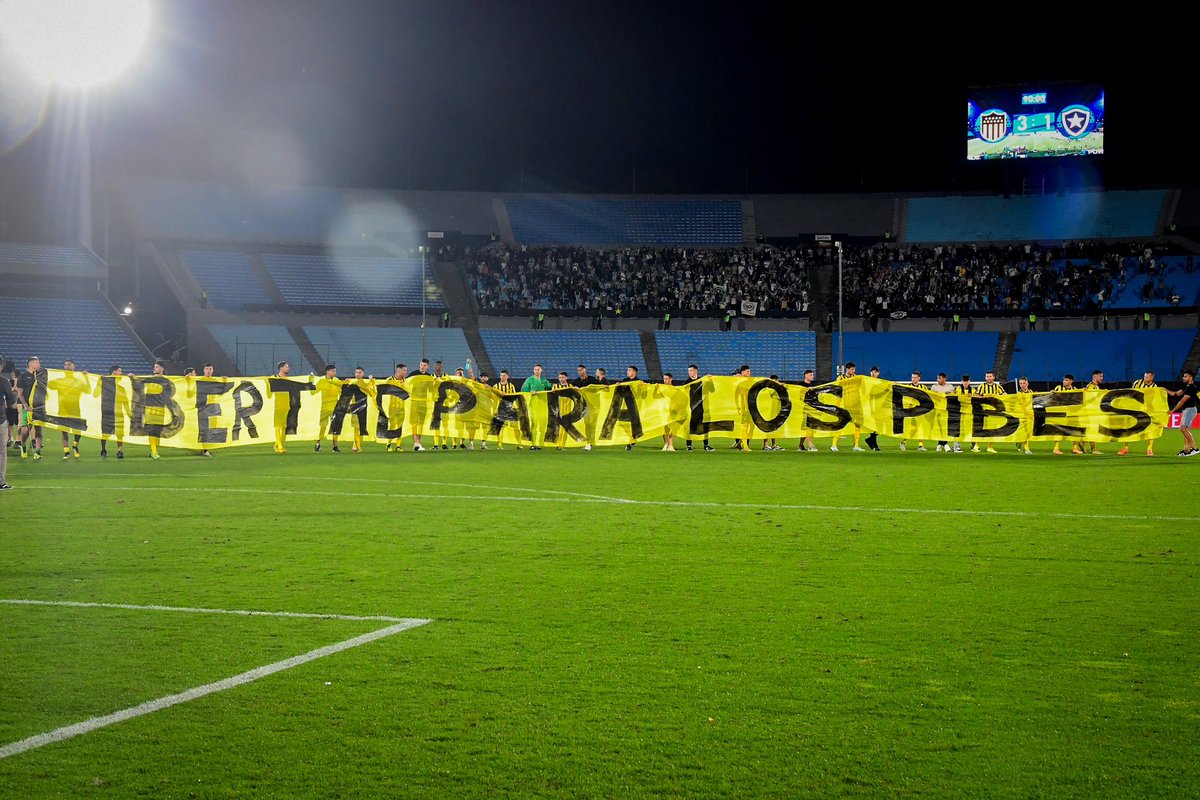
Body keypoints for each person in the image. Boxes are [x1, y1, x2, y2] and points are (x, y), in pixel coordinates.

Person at [50, 359, 91, 460]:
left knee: (78, 430)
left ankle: (75, 446)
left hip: (75, 409)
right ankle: (66, 451)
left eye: (69, 364)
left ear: (74, 366)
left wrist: (87, 378)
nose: (67, 366)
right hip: (63, 410)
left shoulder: (78, 382)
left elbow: (88, 390)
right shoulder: (60, 381)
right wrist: (48, 374)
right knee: (64, 431)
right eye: (65, 365)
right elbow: (49, 385)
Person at [1121, 371, 1158, 456]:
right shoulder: (1138, 382)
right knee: (1127, 427)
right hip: (1135, 409)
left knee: (1150, 429)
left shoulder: (1154, 387)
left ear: (1152, 378)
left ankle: (1149, 449)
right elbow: (1132, 393)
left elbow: (1155, 399)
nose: (1145, 378)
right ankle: (1125, 448)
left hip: (1147, 410)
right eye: (1145, 376)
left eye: (1147, 377)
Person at [97, 365, 129, 459]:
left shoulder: (121, 388)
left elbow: (125, 402)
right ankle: (103, 449)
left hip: (118, 413)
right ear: (114, 372)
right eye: (120, 371)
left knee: (119, 434)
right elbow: (95, 395)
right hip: (107, 412)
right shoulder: (104, 386)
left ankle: (120, 451)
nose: (121, 373)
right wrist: (99, 381)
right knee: (105, 433)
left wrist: (129, 414)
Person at [831, 362, 862, 452]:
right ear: (847, 369)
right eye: (852, 369)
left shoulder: (855, 378)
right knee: (840, 425)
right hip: (843, 405)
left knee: (857, 425)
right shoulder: (840, 378)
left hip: (854, 405)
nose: (853, 371)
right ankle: (834, 445)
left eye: (854, 369)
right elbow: (837, 391)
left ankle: (856, 445)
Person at [520, 364, 553, 450]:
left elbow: (550, 386)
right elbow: (523, 389)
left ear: (541, 370)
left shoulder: (544, 380)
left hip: (542, 405)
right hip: (533, 405)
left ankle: (539, 443)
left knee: (542, 424)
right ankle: (533, 443)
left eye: (538, 369)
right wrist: (530, 391)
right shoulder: (529, 380)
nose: (537, 371)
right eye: (535, 369)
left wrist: (554, 387)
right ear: (533, 370)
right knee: (534, 424)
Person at [16, 356, 42, 460]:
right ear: (30, 364)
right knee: (26, 429)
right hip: (27, 407)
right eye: (37, 362)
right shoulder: (23, 376)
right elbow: (20, 393)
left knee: (38, 430)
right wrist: (26, 406)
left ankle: (38, 452)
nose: (39, 364)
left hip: (38, 407)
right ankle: (23, 445)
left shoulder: (40, 377)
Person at [1167, 370, 1198, 456]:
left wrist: (1172, 411)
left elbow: (1182, 401)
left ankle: (1195, 448)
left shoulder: (1191, 388)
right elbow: (1175, 394)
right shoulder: (1186, 387)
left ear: (1190, 378)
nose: (1183, 378)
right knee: (1185, 430)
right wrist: (1165, 390)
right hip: (1187, 410)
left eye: (1185, 376)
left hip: (1190, 410)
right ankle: (1186, 450)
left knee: (1183, 429)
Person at [143, 360, 170, 459]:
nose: (154, 368)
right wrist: (132, 378)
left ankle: (154, 450)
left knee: (157, 432)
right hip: (149, 408)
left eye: (157, 367)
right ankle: (154, 451)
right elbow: (138, 384)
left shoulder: (166, 381)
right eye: (154, 366)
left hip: (160, 408)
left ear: (162, 369)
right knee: (152, 431)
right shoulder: (149, 379)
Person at [684, 364, 714, 452]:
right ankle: (689, 446)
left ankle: (706, 445)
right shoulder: (687, 382)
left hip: (701, 407)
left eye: (691, 371)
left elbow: (712, 390)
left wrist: (710, 380)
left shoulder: (702, 381)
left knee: (704, 426)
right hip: (690, 408)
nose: (689, 373)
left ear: (696, 371)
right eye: (688, 371)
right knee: (690, 427)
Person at [314, 364, 342, 452]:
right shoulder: (322, 381)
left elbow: (341, 392)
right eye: (333, 371)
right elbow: (313, 392)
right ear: (328, 371)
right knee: (322, 426)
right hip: (324, 407)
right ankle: (318, 443)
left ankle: (335, 445)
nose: (335, 372)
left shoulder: (336, 380)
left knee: (335, 426)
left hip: (334, 406)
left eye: (335, 371)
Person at [975, 371, 1005, 453]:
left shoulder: (997, 387)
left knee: (992, 430)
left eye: (990, 376)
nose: (988, 378)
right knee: (981, 428)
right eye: (987, 376)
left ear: (993, 377)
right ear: (985, 378)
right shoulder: (982, 386)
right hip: (984, 411)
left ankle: (990, 447)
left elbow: (1005, 395)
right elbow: (977, 396)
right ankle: (976, 445)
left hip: (994, 412)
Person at [1051, 373, 1080, 456]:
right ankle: (1056, 448)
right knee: (1058, 430)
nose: (1064, 382)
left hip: (1071, 414)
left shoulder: (1075, 389)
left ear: (1071, 381)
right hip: (1061, 413)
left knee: (1075, 430)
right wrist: (1052, 393)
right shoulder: (1059, 388)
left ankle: (1075, 448)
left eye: (1066, 380)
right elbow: (1053, 397)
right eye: (1064, 380)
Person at [899, 371, 926, 451]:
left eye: (915, 377)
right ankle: (903, 442)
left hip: (920, 411)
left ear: (919, 378)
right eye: (912, 377)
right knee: (909, 428)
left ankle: (920, 445)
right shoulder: (908, 387)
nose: (913, 379)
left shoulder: (923, 387)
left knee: (921, 427)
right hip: (910, 411)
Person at [928, 372, 954, 452]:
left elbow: (954, 398)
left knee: (945, 427)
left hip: (946, 410)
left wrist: (950, 395)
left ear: (944, 379)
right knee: (939, 427)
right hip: (937, 410)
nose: (938, 380)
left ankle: (941, 444)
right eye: (937, 378)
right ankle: (944, 444)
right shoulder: (934, 387)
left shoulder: (950, 387)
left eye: (939, 378)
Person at [494, 369, 519, 449]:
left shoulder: (511, 386)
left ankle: (519, 444)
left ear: (507, 376)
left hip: (510, 408)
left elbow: (514, 396)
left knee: (516, 426)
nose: (502, 377)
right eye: (501, 375)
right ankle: (500, 444)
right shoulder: (496, 386)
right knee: (500, 427)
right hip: (500, 409)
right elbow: (493, 397)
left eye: (504, 375)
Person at [620, 365, 643, 451]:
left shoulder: (639, 382)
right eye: (628, 370)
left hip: (635, 405)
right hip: (625, 405)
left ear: (634, 372)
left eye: (629, 370)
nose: (627, 372)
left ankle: (630, 441)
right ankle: (630, 440)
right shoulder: (624, 381)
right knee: (624, 424)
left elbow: (642, 393)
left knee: (633, 424)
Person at [0, 368, 16, 490]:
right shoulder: (3, 381)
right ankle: (0, 482)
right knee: (1, 451)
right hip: (0, 419)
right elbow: (11, 400)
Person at [1083, 370, 1105, 454]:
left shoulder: (1095, 387)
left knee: (1090, 430)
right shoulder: (1091, 386)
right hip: (1091, 412)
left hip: (1093, 412)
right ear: (1095, 376)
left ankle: (1083, 446)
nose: (1102, 378)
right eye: (1101, 376)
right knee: (1093, 430)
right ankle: (1093, 449)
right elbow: (1090, 399)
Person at [798, 368, 818, 451]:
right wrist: (807, 390)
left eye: (812, 375)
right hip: (805, 408)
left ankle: (800, 446)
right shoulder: (801, 385)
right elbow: (800, 397)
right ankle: (810, 445)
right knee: (808, 426)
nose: (812, 376)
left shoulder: (813, 385)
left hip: (812, 408)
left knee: (807, 427)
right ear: (805, 375)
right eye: (810, 375)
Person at [863, 366, 882, 451]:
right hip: (869, 406)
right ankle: (873, 443)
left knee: (878, 426)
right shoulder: (867, 381)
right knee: (874, 425)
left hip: (877, 406)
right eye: (872, 372)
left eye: (875, 372)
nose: (873, 373)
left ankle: (871, 441)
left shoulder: (880, 382)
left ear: (878, 373)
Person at [953, 374, 974, 453]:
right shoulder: (958, 389)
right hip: (959, 412)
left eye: (967, 381)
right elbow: (954, 398)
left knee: (970, 429)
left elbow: (976, 399)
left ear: (969, 381)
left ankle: (973, 445)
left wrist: (971, 396)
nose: (965, 383)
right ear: (962, 381)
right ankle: (956, 446)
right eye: (964, 381)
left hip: (969, 412)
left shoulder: (973, 390)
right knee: (958, 429)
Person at [1015, 376, 1034, 455]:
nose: (1022, 385)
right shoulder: (1019, 393)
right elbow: (1021, 405)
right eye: (1020, 383)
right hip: (1022, 415)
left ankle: (1018, 442)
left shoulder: (1031, 391)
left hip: (1030, 414)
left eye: (1024, 383)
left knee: (1028, 431)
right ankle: (1026, 448)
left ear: (1027, 383)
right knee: (1025, 431)